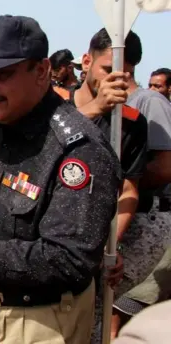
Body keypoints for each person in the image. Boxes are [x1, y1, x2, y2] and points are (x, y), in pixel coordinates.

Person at [0, 15, 121, 343]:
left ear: (41, 71)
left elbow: (70, 259)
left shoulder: (80, 150)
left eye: (2, 75)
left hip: (38, 322)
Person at [70, 28, 150, 343]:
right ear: (86, 61)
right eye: (108, 70)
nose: (116, 82)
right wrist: (95, 110)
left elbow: (128, 190)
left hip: (93, 245)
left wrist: (110, 246)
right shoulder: (50, 107)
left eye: (126, 75)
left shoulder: (130, 123)